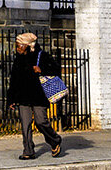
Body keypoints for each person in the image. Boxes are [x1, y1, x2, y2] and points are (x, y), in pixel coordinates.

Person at [5, 30, 67, 160]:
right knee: (25, 124)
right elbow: (14, 79)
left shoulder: (41, 56)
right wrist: (11, 98)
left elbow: (56, 69)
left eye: (20, 46)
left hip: (39, 95)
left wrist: (42, 70)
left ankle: (54, 140)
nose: (17, 48)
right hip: (23, 96)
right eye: (16, 46)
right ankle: (28, 150)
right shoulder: (18, 59)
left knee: (41, 121)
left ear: (28, 45)